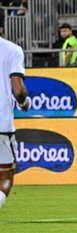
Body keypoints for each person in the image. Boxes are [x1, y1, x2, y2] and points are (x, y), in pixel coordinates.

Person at [0, 36, 28, 209]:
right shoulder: (12, 50)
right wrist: (23, 102)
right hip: (1, 125)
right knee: (5, 177)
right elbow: (18, 91)